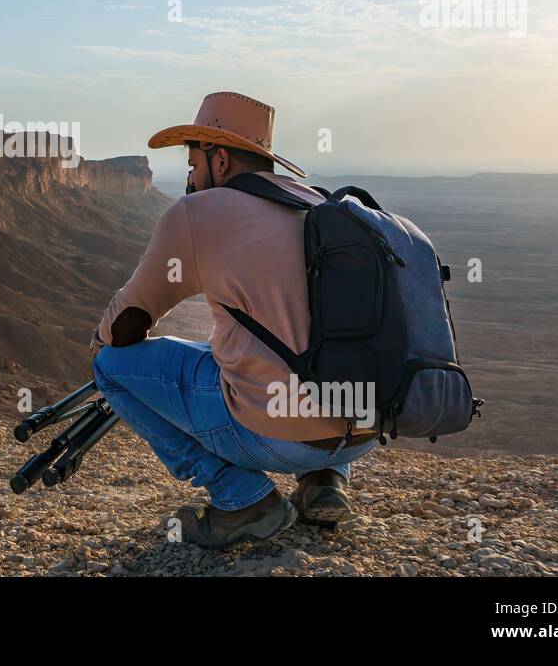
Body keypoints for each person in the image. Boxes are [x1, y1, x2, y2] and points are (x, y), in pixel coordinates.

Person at [90, 92, 378, 548]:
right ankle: (325, 481)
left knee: (110, 367)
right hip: (364, 429)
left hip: (279, 438)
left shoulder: (197, 212)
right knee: (289, 341)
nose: (188, 176)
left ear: (219, 160)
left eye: (192, 163)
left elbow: (129, 323)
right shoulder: (324, 207)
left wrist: (103, 333)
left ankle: (243, 500)